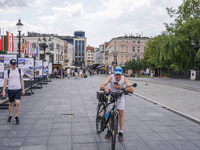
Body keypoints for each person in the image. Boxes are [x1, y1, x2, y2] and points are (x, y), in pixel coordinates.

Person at [100, 67, 134, 141]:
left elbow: (131, 89)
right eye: (116, 75)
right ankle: (109, 129)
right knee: (109, 112)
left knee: (121, 112)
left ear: (121, 74)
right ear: (114, 74)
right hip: (111, 95)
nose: (117, 76)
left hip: (120, 96)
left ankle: (121, 132)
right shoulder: (111, 77)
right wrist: (106, 87)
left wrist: (122, 88)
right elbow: (102, 85)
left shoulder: (124, 79)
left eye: (119, 75)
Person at [2, 59, 25, 124]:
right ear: (10, 65)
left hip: (18, 89)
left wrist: (23, 89)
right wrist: (3, 91)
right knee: (11, 103)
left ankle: (16, 116)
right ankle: (10, 115)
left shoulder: (19, 70)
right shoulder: (8, 71)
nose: (14, 65)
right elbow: (5, 81)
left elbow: (22, 80)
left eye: (15, 64)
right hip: (10, 89)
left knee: (17, 102)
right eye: (13, 64)